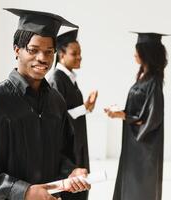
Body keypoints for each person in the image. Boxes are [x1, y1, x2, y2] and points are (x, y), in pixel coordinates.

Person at [0, 8, 91, 200]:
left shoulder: (56, 102)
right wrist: (24, 191)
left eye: (49, 52)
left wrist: (71, 172)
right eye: (33, 50)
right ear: (17, 49)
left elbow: (63, 154)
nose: (42, 58)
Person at [104, 32, 168, 200]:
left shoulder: (153, 82)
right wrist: (121, 113)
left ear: (146, 54)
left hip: (144, 145)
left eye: (137, 51)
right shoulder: (143, 77)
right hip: (133, 143)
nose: (134, 54)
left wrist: (122, 115)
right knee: (130, 181)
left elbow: (152, 118)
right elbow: (139, 110)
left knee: (140, 185)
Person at [49, 29, 98, 200]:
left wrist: (87, 107)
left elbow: (70, 110)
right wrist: (84, 107)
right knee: (72, 186)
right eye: (74, 53)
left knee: (81, 184)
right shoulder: (56, 79)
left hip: (77, 140)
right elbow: (57, 117)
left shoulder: (69, 78)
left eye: (80, 53)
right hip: (68, 146)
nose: (79, 57)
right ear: (61, 55)